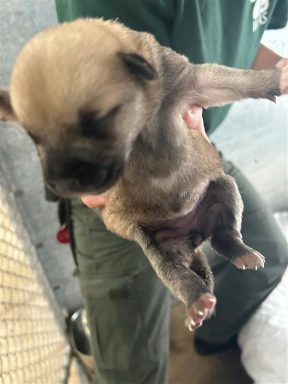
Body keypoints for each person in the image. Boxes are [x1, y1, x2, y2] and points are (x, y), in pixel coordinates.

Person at [55, 1, 288, 383]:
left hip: (192, 151)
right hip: (118, 187)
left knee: (268, 259)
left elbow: (241, 43)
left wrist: (276, 75)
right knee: (131, 364)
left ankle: (209, 331)